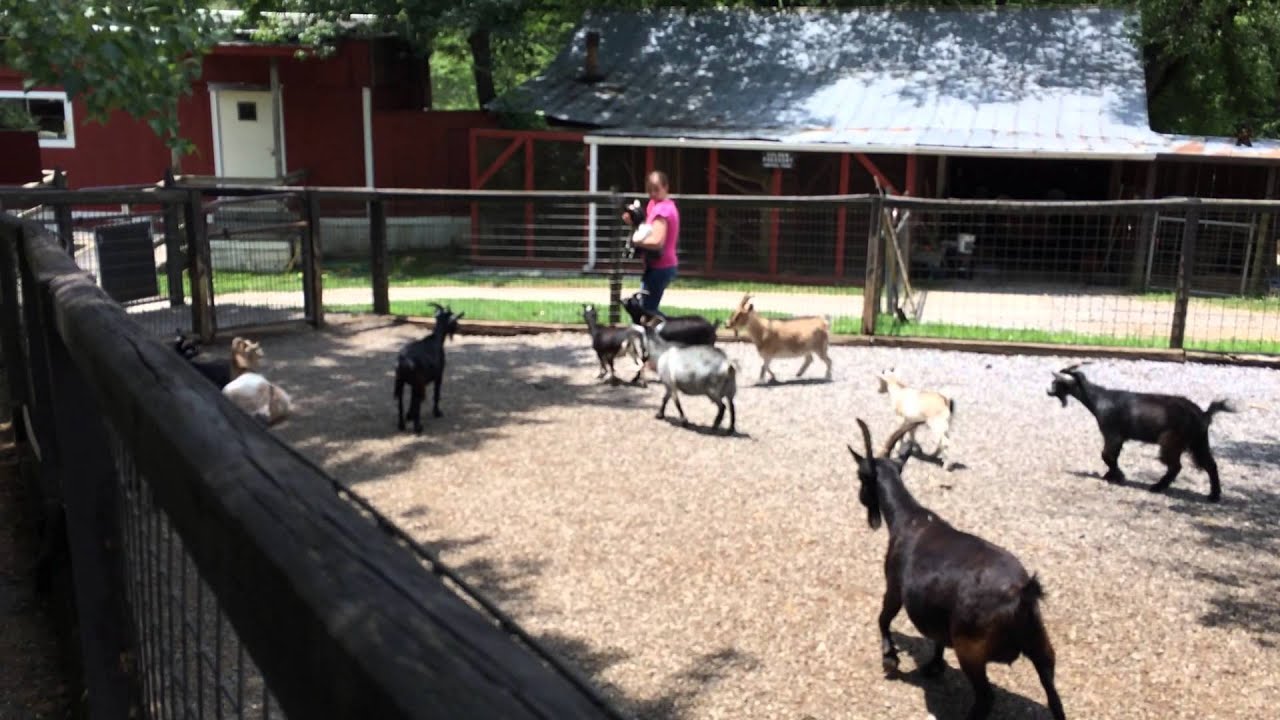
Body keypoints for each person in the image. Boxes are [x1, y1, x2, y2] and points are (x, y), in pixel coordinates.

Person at [621, 170, 680, 313]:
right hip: (657, 265)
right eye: (650, 190)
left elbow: (656, 241)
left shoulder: (663, 210)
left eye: (656, 189)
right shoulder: (656, 205)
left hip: (661, 266)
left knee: (647, 310)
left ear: (666, 187)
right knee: (646, 308)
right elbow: (647, 230)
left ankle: (673, 332)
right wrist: (634, 222)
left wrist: (635, 242)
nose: (653, 193)